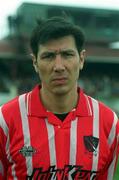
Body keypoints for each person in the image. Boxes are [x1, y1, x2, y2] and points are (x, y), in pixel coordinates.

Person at [0, 16, 119, 180]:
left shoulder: (108, 122)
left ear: (81, 59)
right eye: (48, 56)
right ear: (35, 62)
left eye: (67, 54)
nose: (58, 66)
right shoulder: (5, 120)